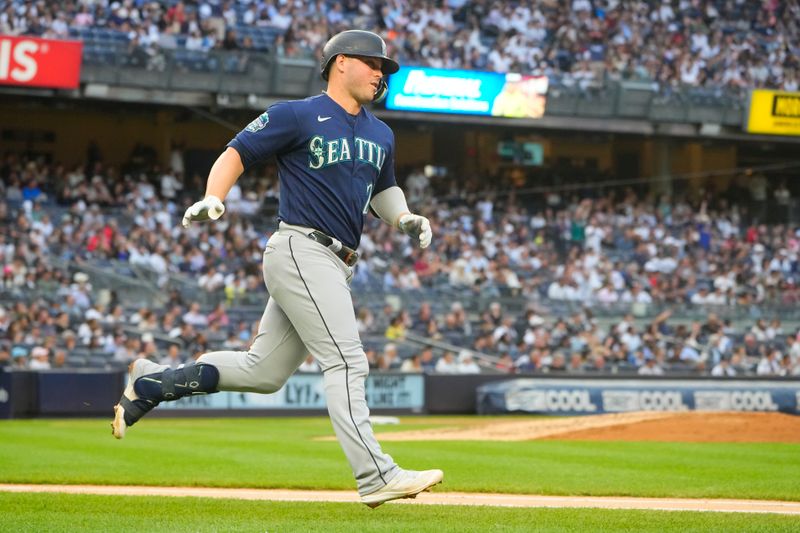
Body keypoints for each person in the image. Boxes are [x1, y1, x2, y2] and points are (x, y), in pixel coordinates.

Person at [111, 30, 442, 508]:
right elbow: (237, 152)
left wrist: (405, 216)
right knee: (346, 360)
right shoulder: (297, 113)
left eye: (385, 68)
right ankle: (376, 475)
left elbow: (383, 191)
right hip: (301, 248)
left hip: (337, 260)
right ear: (340, 62)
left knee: (262, 371)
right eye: (373, 64)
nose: (381, 74)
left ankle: (152, 381)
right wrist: (213, 196)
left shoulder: (381, 132)